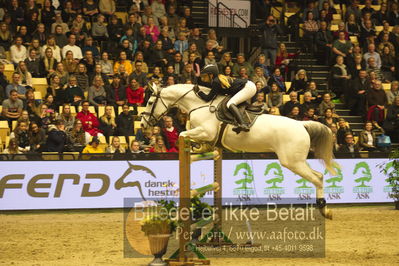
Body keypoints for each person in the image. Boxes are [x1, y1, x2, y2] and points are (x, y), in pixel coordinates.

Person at [194, 64, 257, 133]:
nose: (203, 78)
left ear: (211, 75)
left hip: (248, 88)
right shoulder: (217, 79)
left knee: (230, 103)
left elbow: (208, 98)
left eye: (205, 76)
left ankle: (243, 124)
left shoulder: (216, 81)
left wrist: (199, 92)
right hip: (248, 86)